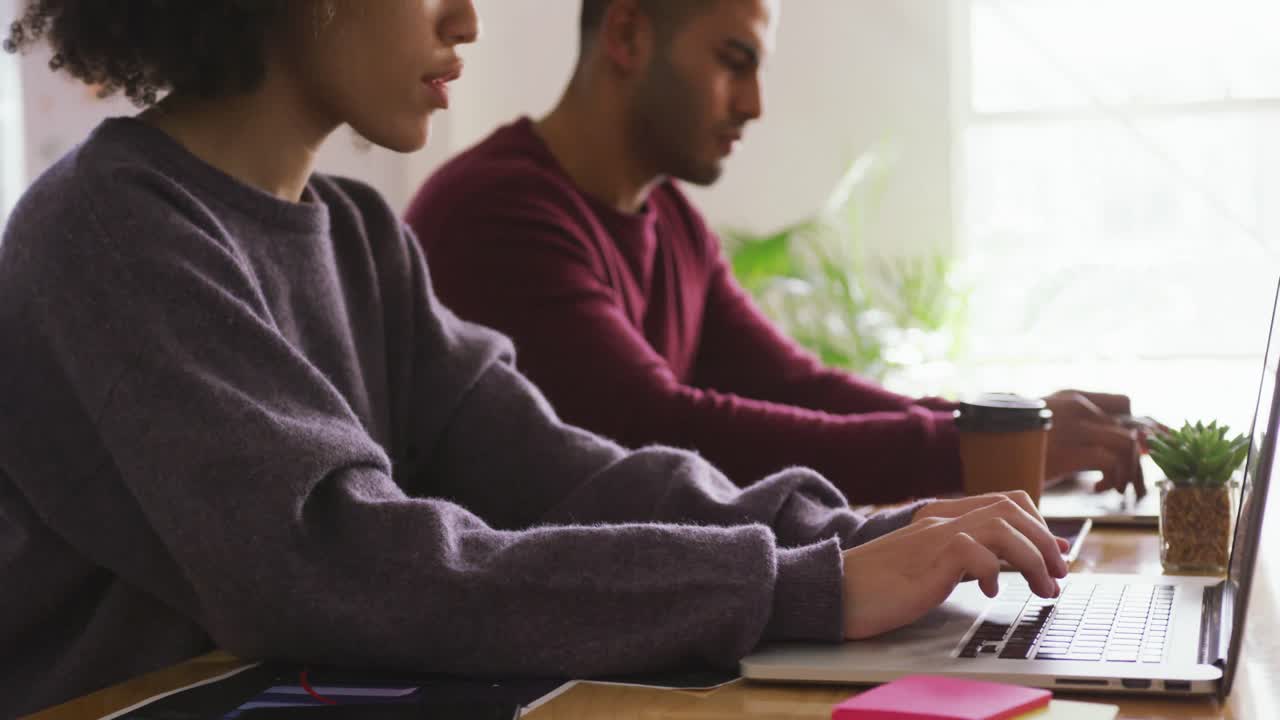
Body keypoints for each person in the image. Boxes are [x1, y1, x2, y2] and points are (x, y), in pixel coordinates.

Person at [0, 1, 1068, 716]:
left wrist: (863, 537)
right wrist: (805, 585)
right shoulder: (110, 230)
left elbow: (565, 471)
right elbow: (332, 562)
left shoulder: (360, 235)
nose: (468, 20)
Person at [404, 0, 1147, 504]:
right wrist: (986, 450)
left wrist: (997, 428)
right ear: (628, 36)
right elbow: (653, 427)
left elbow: (799, 387)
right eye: (735, 61)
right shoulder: (499, 213)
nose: (754, 103)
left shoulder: (672, 222)